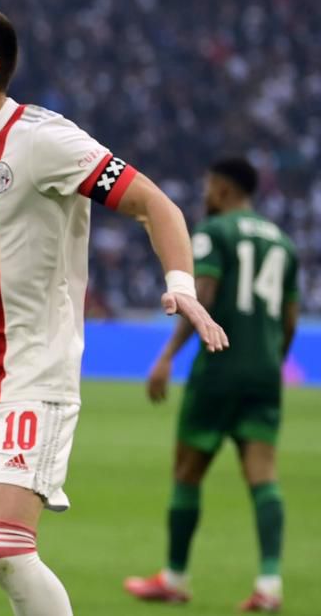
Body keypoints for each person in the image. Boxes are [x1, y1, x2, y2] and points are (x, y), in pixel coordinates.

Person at [0, 0, 229, 616]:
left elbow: (155, 204)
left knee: (2, 546)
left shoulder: (42, 140)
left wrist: (182, 285)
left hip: (30, 381)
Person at [124, 157, 298, 613]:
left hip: (219, 371)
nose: (205, 194)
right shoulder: (283, 242)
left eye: (208, 186)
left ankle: (175, 577)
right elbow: (290, 319)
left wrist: (166, 356)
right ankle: (270, 584)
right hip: (264, 373)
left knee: (187, 471)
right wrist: (271, 363)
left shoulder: (215, 232)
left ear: (222, 188)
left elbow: (203, 295)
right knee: (263, 475)